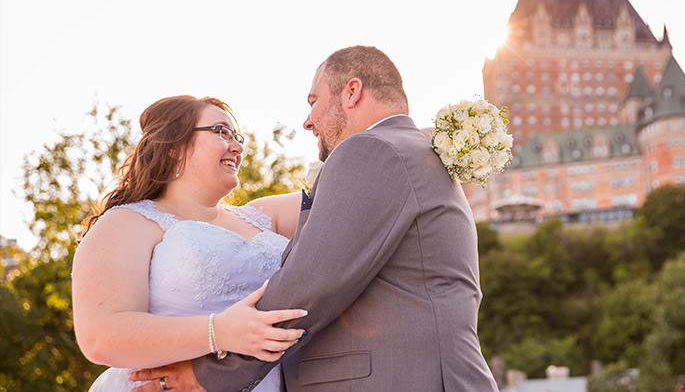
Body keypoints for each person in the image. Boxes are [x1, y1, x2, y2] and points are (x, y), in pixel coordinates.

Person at [132, 46, 498, 391]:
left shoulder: (371, 149)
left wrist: (208, 374)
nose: (308, 122)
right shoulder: (415, 151)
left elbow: (310, 286)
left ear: (352, 92)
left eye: (314, 101)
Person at [72, 95, 308, 392]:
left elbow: (343, 188)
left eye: (238, 137)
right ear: (174, 147)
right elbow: (100, 336)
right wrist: (218, 332)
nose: (238, 147)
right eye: (222, 132)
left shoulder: (263, 216)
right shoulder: (127, 221)